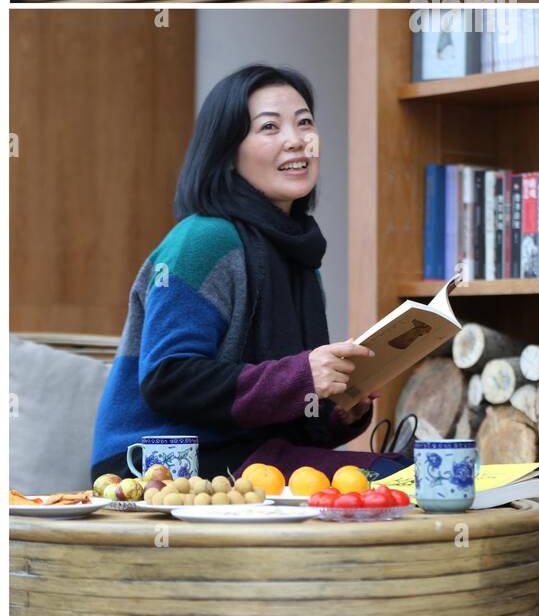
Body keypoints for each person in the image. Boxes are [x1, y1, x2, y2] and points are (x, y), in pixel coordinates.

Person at [91, 64, 394, 486]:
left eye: (304, 122)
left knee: (403, 477)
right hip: (159, 462)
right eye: (269, 127)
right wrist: (303, 375)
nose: (296, 140)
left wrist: (340, 412)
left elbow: (278, 403)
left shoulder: (297, 254)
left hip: (248, 453)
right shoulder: (204, 238)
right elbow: (168, 379)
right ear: (227, 151)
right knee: (395, 479)